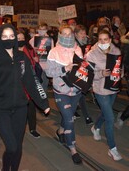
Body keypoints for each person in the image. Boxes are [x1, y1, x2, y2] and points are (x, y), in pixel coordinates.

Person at [0, 24, 50, 171]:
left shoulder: (22, 57)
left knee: (17, 146)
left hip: (20, 108)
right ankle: (6, 167)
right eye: (5, 36)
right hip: (1, 110)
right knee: (11, 146)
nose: (9, 39)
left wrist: (43, 103)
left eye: (11, 36)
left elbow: (30, 82)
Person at [46, 25, 83, 164]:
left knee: (68, 116)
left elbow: (82, 68)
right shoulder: (53, 52)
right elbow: (49, 72)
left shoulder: (78, 49)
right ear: (60, 35)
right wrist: (64, 68)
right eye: (64, 34)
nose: (67, 36)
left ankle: (61, 131)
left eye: (69, 34)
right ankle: (73, 148)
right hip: (61, 90)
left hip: (76, 90)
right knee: (70, 120)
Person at [87, 29, 123, 161]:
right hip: (100, 89)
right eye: (100, 39)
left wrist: (120, 73)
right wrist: (101, 74)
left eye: (105, 39)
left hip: (113, 88)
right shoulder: (92, 54)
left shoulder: (116, 51)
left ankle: (95, 127)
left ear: (110, 40)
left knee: (105, 113)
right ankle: (112, 149)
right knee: (110, 118)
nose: (102, 42)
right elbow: (88, 74)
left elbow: (120, 66)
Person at [17, 32, 41, 138]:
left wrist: (36, 60)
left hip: (29, 81)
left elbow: (34, 61)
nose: (21, 40)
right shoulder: (11, 51)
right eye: (18, 38)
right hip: (17, 84)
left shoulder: (29, 48)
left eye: (22, 38)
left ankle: (32, 128)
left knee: (31, 107)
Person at [74, 24, 93, 125]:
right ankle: (87, 116)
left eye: (84, 33)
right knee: (80, 94)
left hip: (85, 70)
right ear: (76, 34)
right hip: (76, 71)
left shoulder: (87, 43)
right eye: (81, 33)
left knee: (80, 94)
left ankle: (73, 110)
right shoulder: (73, 44)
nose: (83, 35)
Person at [29, 23, 54, 93]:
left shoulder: (50, 39)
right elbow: (29, 46)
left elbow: (52, 51)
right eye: (40, 29)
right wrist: (34, 49)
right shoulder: (35, 38)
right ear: (38, 30)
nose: (42, 31)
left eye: (43, 29)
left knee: (44, 82)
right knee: (37, 82)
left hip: (46, 64)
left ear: (46, 30)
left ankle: (44, 98)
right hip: (37, 63)